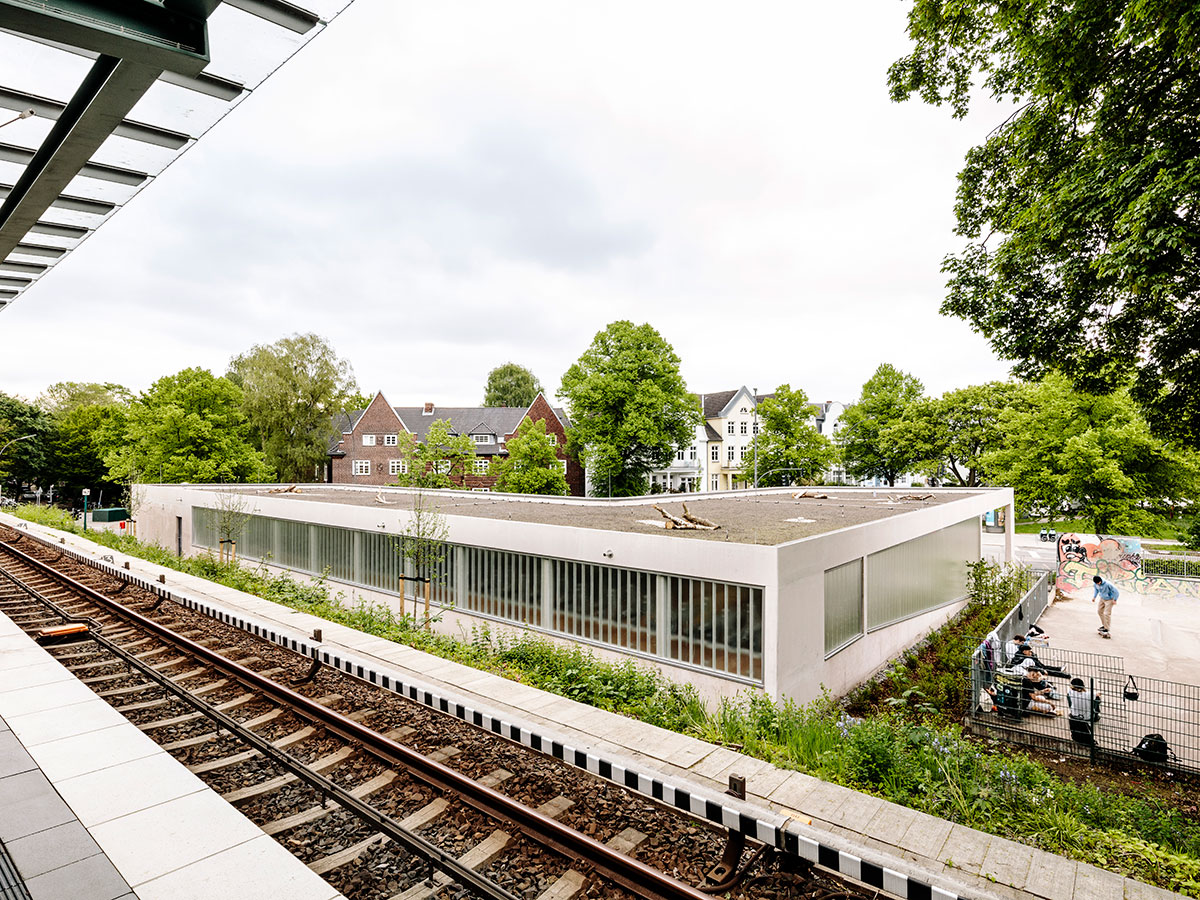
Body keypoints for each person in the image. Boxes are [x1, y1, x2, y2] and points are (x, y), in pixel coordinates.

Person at [1066, 677, 1100, 746]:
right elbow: (1098, 694)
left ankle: (1073, 711)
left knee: (1069, 697)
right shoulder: (1089, 694)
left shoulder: (1070, 692)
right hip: (1087, 717)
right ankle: (1095, 715)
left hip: (1075, 715)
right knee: (1097, 699)